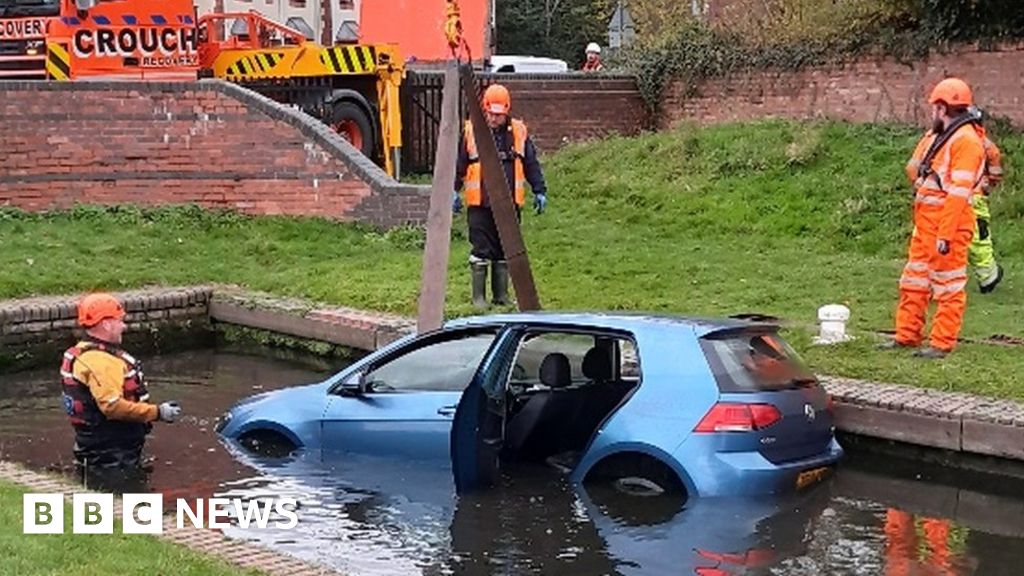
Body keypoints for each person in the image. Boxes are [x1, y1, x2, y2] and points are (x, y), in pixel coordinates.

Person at [881, 77, 986, 359]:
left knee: (948, 286)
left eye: (933, 108)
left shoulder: (967, 142)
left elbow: (958, 195)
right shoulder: (938, 136)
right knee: (913, 282)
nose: (931, 113)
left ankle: (941, 343)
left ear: (942, 107)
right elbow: (913, 170)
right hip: (926, 223)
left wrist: (945, 235)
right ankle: (907, 336)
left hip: (947, 224)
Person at [61, 293, 182, 483]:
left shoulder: (83, 352)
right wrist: (158, 412)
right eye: (119, 320)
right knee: (124, 498)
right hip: (110, 455)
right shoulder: (101, 362)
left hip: (97, 447)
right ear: (106, 324)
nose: (123, 326)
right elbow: (112, 406)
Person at [453, 83, 548, 309]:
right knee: (481, 248)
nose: (495, 119)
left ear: (507, 111)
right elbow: (459, 164)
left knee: (505, 247)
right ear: (484, 109)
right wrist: (453, 190)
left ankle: (501, 295)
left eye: (499, 115)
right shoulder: (470, 131)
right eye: (491, 114)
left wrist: (539, 189)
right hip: (480, 202)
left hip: (509, 201)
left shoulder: (518, 131)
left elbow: (531, 162)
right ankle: (479, 298)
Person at [967, 106, 1005, 293]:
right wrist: (987, 185)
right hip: (975, 199)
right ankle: (987, 277)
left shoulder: (944, 140)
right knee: (979, 238)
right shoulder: (985, 144)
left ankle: (931, 282)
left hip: (947, 198)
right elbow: (996, 173)